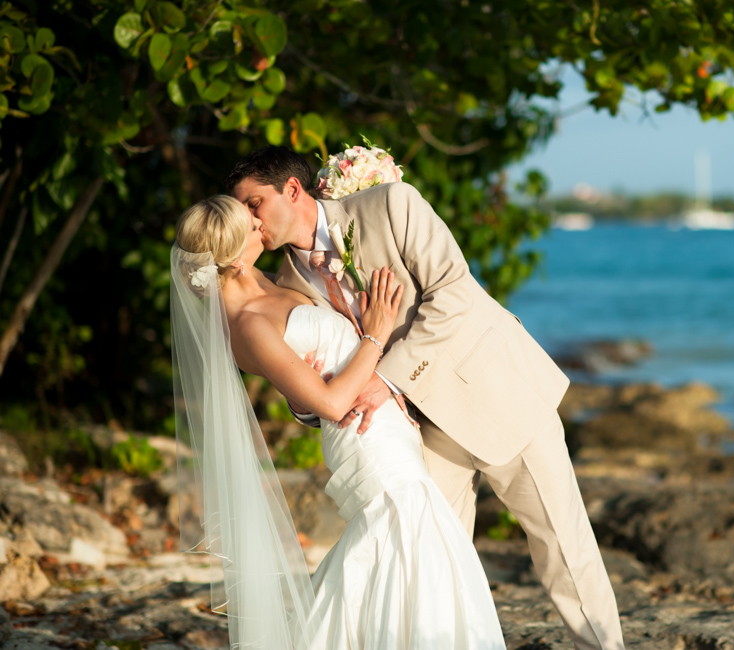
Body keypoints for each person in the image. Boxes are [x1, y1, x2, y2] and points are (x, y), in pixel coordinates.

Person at [225, 146, 625, 650]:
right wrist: (309, 401)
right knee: (436, 572)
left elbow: (454, 293)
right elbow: (311, 379)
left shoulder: (392, 205)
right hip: (414, 436)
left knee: (565, 555)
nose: (250, 221)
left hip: (497, 393)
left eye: (254, 204)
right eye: (240, 210)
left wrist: (386, 379)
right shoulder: (286, 283)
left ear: (292, 189)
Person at [170, 195, 506, 649]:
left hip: (383, 421)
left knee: (401, 549)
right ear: (231, 256)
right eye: (250, 224)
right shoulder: (247, 324)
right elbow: (328, 404)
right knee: (405, 537)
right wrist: (377, 332)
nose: (259, 222)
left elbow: (325, 351)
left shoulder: (268, 282)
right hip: (362, 436)